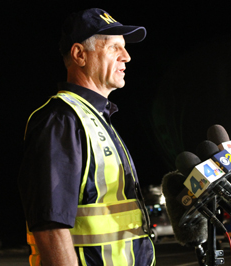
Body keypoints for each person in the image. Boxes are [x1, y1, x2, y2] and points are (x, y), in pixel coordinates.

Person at [18, 8, 156, 266]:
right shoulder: (61, 120)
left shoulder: (95, 118)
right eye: (115, 48)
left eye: (124, 48)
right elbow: (50, 227)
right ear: (80, 54)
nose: (126, 57)